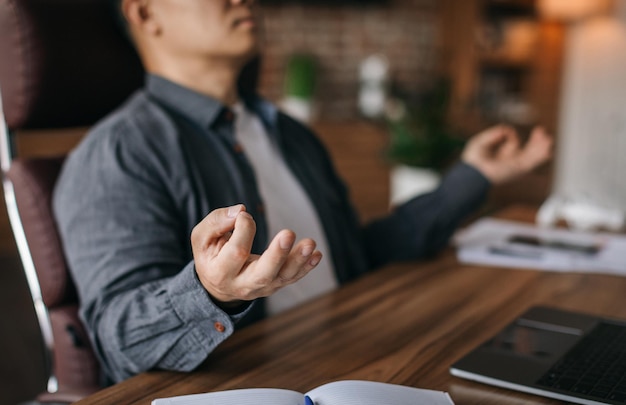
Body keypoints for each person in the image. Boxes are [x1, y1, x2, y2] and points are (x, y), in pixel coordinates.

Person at [52, 0, 553, 385]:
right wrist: (210, 293)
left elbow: (357, 256)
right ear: (144, 12)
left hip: (359, 359)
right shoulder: (117, 153)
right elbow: (119, 341)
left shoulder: (290, 133)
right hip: (260, 381)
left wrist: (474, 176)